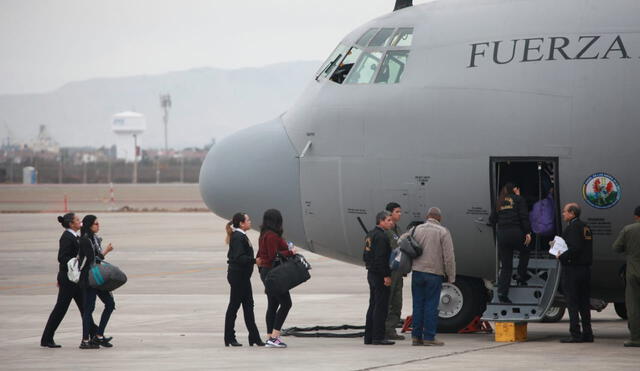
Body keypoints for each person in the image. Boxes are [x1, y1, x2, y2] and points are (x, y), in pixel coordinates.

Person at [41, 213, 96, 348]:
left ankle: (95, 335)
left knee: (85, 307)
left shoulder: (76, 236)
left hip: (74, 278)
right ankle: (46, 339)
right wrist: (76, 262)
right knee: (61, 309)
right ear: (71, 224)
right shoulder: (67, 237)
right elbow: (62, 257)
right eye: (77, 220)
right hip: (68, 278)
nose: (80, 221)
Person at [409, 207, 456, 346]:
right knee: (431, 305)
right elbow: (449, 256)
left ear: (427, 216)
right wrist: (451, 276)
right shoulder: (443, 232)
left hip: (417, 271)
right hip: (434, 273)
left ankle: (416, 337)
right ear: (439, 218)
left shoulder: (416, 229)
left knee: (417, 304)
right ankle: (429, 337)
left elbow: (402, 241)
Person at [256, 209, 296, 348]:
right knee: (286, 303)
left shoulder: (263, 235)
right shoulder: (272, 236)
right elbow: (274, 256)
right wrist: (290, 251)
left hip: (266, 272)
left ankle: (269, 337)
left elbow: (262, 255)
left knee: (272, 304)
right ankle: (274, 337)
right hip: (274, 273)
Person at [223, 213, 263, 347]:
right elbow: (239, 258)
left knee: (248, 306)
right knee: (234, 307)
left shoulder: (240, 236)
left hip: (243, 277)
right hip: (238, 277)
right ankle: (229, 337)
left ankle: (254, 337)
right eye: (248, 220)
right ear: (241, 223)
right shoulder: (238, 237)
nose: (250, 222)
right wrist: (254, 261)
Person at [556, 203, 594, 343]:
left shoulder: (573, 228)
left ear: (572, 213)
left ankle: (575, 334)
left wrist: (561, 255)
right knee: (584, 302)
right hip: (585, 269)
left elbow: (574, 248)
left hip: (573, 269)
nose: (563, 214)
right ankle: (588, 333)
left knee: (572, 302)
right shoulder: (586, 227)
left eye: (565, 212)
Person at [489, 182, 532, 303]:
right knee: (526, 250)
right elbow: (524, 216)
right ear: (515, 189)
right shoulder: (519, 199)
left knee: (506, 266)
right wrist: (528, 232)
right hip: (516, 233)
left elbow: (492, 219)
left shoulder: (499, 201)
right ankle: (521, 275)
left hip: (502, 235)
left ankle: (502, 293)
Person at [78, 215, 115, 349]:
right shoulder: (85, 240)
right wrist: (106, 251)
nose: (98, 225)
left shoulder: (94, 239)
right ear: (89, 226)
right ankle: (85, 340)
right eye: (96, 224)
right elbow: (92, 260)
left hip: (98, 277)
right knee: (89, 309)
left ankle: (99, 336)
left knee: (110, 304)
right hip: (89, 278)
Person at [363, 211, 394, 345]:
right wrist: (386, 275)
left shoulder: (370, 234)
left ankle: (369, 336)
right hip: (379, 274)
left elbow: (365, 255)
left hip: (371, 273)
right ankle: (378, 336)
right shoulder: (381, 237)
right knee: (381, 306)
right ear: (381, 221)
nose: (391, 222)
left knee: (373, 305)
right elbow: (381, 258)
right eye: (388, 220)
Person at [612, 205, 640, 347]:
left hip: (633, 271)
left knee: (633, 305)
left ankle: (635, 338)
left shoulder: (628, 230)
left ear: (636, 216)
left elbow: (616, 248)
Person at [384, 202, 405, 341]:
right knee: (388, 300)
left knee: (397, 301)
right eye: (397, 211)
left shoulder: (398, 229)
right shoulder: (386, 232)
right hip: (390, 271)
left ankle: (391, 328)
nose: (400, 214)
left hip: (398, 271)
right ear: (390, 213)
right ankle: (385, 328)